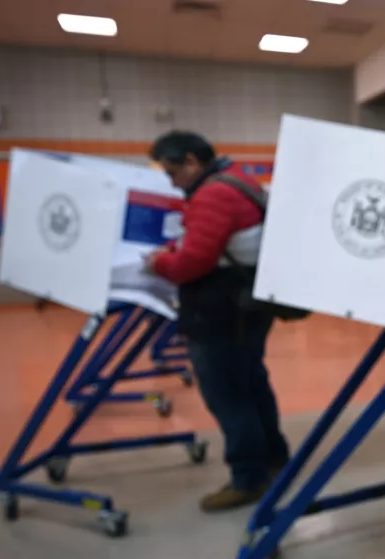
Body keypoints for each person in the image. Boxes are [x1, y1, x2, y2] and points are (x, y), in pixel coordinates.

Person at [145, 131, 290, 512]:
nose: (172, 182)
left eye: (174, 172)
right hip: (247, 306)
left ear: (193, 161)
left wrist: (158, 263)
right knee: (251, 382)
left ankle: (248, 478)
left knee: (227, 393)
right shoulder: (238, 178)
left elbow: (194, 262)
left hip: (221, 311)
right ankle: (275, 456)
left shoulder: (213, 194)